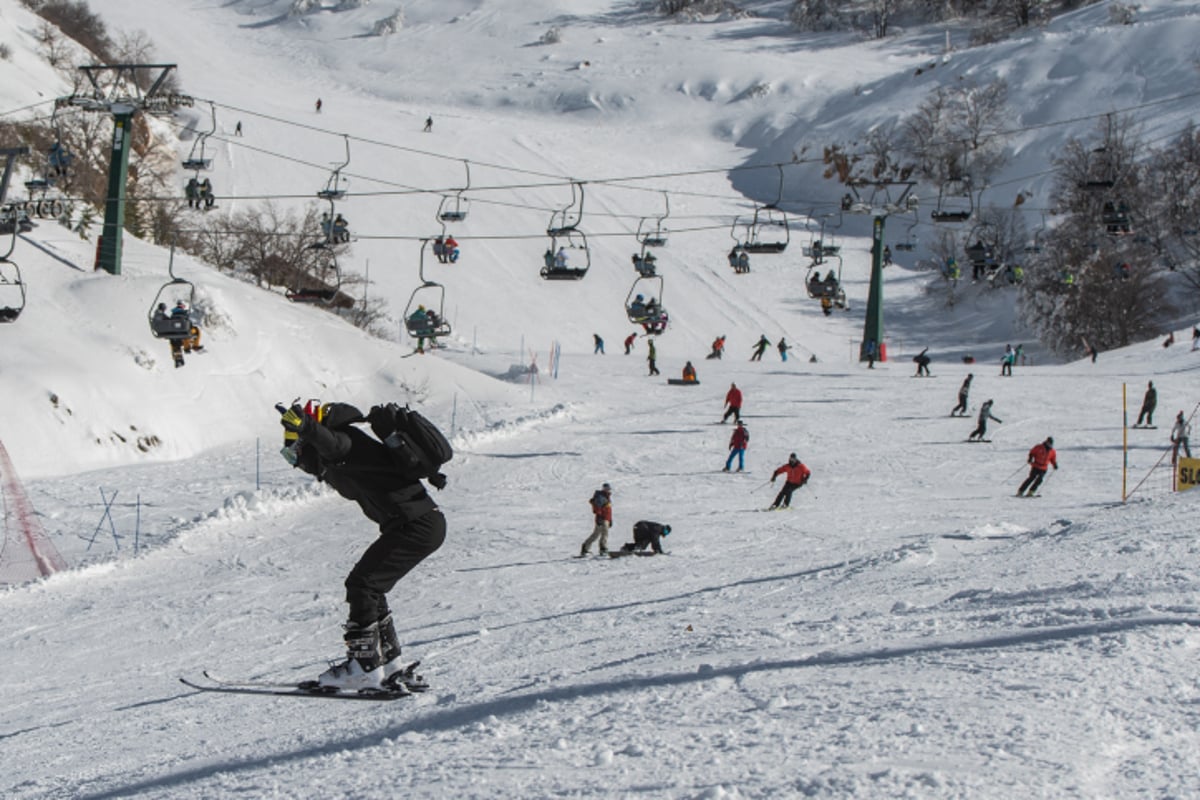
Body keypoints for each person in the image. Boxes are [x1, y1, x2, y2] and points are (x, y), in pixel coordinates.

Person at [277, 401, 446, 691]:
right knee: (370, 587)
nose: (295, 461)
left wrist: (305, 426)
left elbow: (329, 442)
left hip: (415, 525)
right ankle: (391, 666)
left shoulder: (344, 442)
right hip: (417, 524)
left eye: (293, 452)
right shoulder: (345, 451)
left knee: (362, 585)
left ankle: (364, 668)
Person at [580, 482, 613, 556]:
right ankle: (603, 548)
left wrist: (610, 519)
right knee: (604, 533)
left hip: (606, 518)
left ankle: (585, 547)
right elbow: (598, 508)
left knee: (596, 534)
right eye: (606, 489)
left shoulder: (606, 497)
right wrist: (599, 517)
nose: (608, 490)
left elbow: (608, 510)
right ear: (603, 489)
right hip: (602, 518)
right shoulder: (601, 497)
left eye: (608, 489)